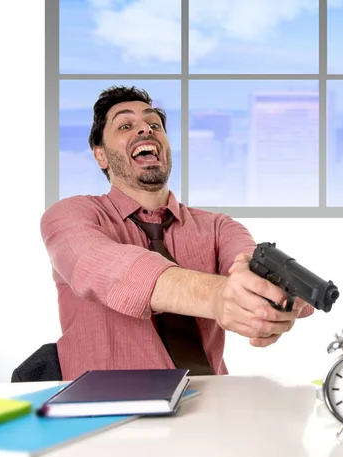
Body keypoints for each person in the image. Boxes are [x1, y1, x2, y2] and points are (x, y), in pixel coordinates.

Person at [40, 85, 314, 380]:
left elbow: (247, 263)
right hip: (106, 413)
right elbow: (100, 265)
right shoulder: (71, 216)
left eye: (154, 124)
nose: (145, 129)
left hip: (213, 404)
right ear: (101, 156)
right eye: (125, 125)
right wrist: (216, 295)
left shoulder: (218, 227)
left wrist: (272, 296)